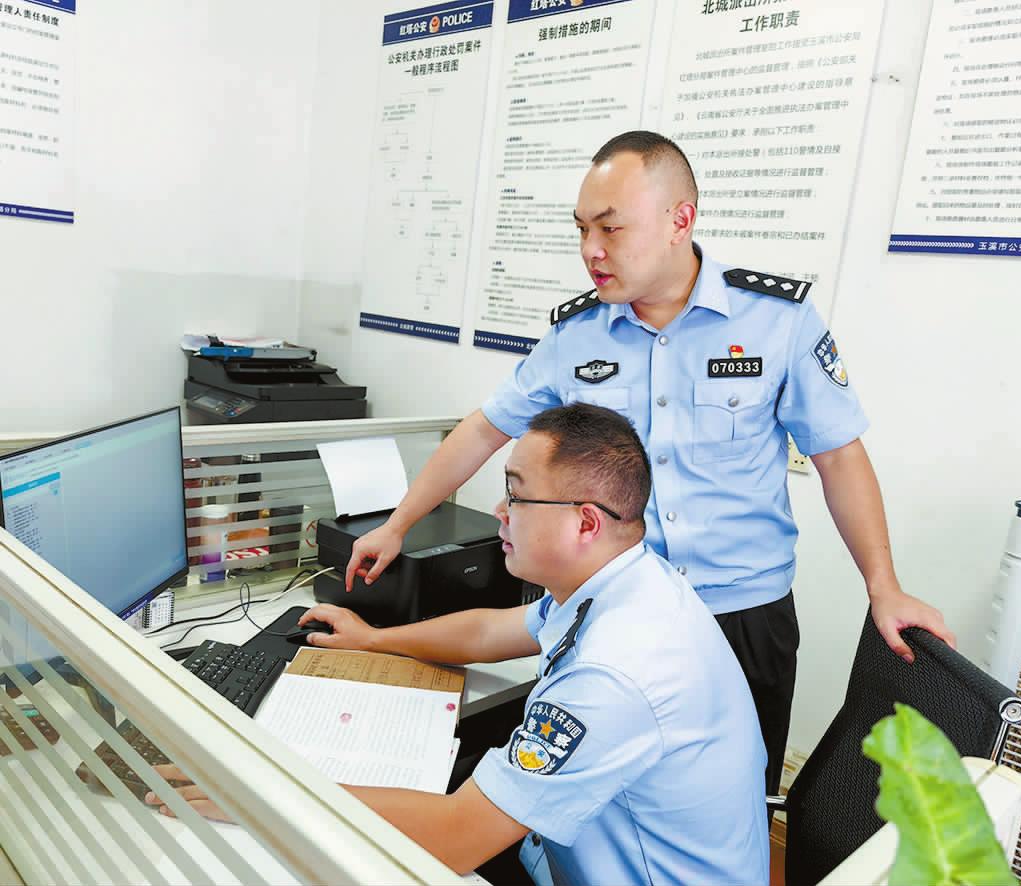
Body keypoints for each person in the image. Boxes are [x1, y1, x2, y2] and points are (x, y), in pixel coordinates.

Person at [342, 130, 955, 798]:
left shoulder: (777, 320)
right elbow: (486, 428)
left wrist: (883, 585)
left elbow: (839, 456)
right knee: (595, 799)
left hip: (741, 615)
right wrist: (397, 526)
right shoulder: (576, 334)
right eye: (581, 229)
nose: (590, 250)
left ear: (679, 220)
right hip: (612, 608)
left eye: (610, 228)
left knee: (733, 799)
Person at [148, 404, 770, 884]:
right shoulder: (625, 579)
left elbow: (454, 838)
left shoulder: (617, 672)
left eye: (517, 494)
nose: (500, 509)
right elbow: (489, 630)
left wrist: (255, 789)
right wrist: (374, 639)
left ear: (585, 521)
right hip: (563, 851)